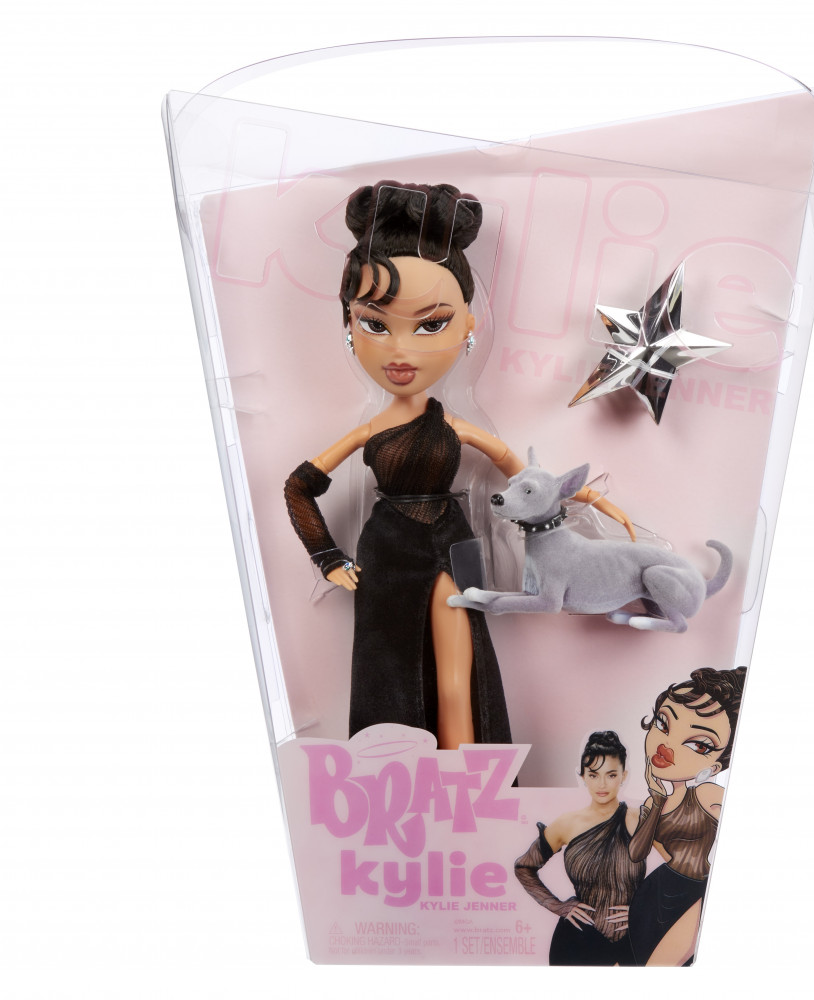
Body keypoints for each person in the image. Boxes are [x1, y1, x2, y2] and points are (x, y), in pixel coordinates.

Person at [283, 181, 634, 749]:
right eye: (375, 323)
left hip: (454, 539)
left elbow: (525, 478)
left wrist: (583, 497)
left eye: (431, 324)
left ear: (468, 325)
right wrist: (327, 557)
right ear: (349, 324)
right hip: (387, 549)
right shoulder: (369, 431)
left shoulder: (458, 428)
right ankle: (404, 774)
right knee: (392, 670)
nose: (402, 350)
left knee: (460, 671)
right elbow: (298, 488)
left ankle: (468, 777)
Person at [627, 666, 747, 966]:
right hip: (652, 895)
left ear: (715, 766)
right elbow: (636, 853)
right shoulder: (654, 800)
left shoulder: (707, 795)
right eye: (663, 723)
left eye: (698, 744)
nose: (667, 746)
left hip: (695, 897)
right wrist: (657, 799)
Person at [513, 731, 646, 965]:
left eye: (611, 775)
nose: (602, 784)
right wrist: (557, 906)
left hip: (633, 941)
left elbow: (682, 871)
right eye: (593, 775)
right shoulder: (567, 824)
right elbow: (524, 867)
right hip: (577, 942)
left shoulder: (641, 820)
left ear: (623, 776)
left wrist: (646, 911)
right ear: (582, 776)